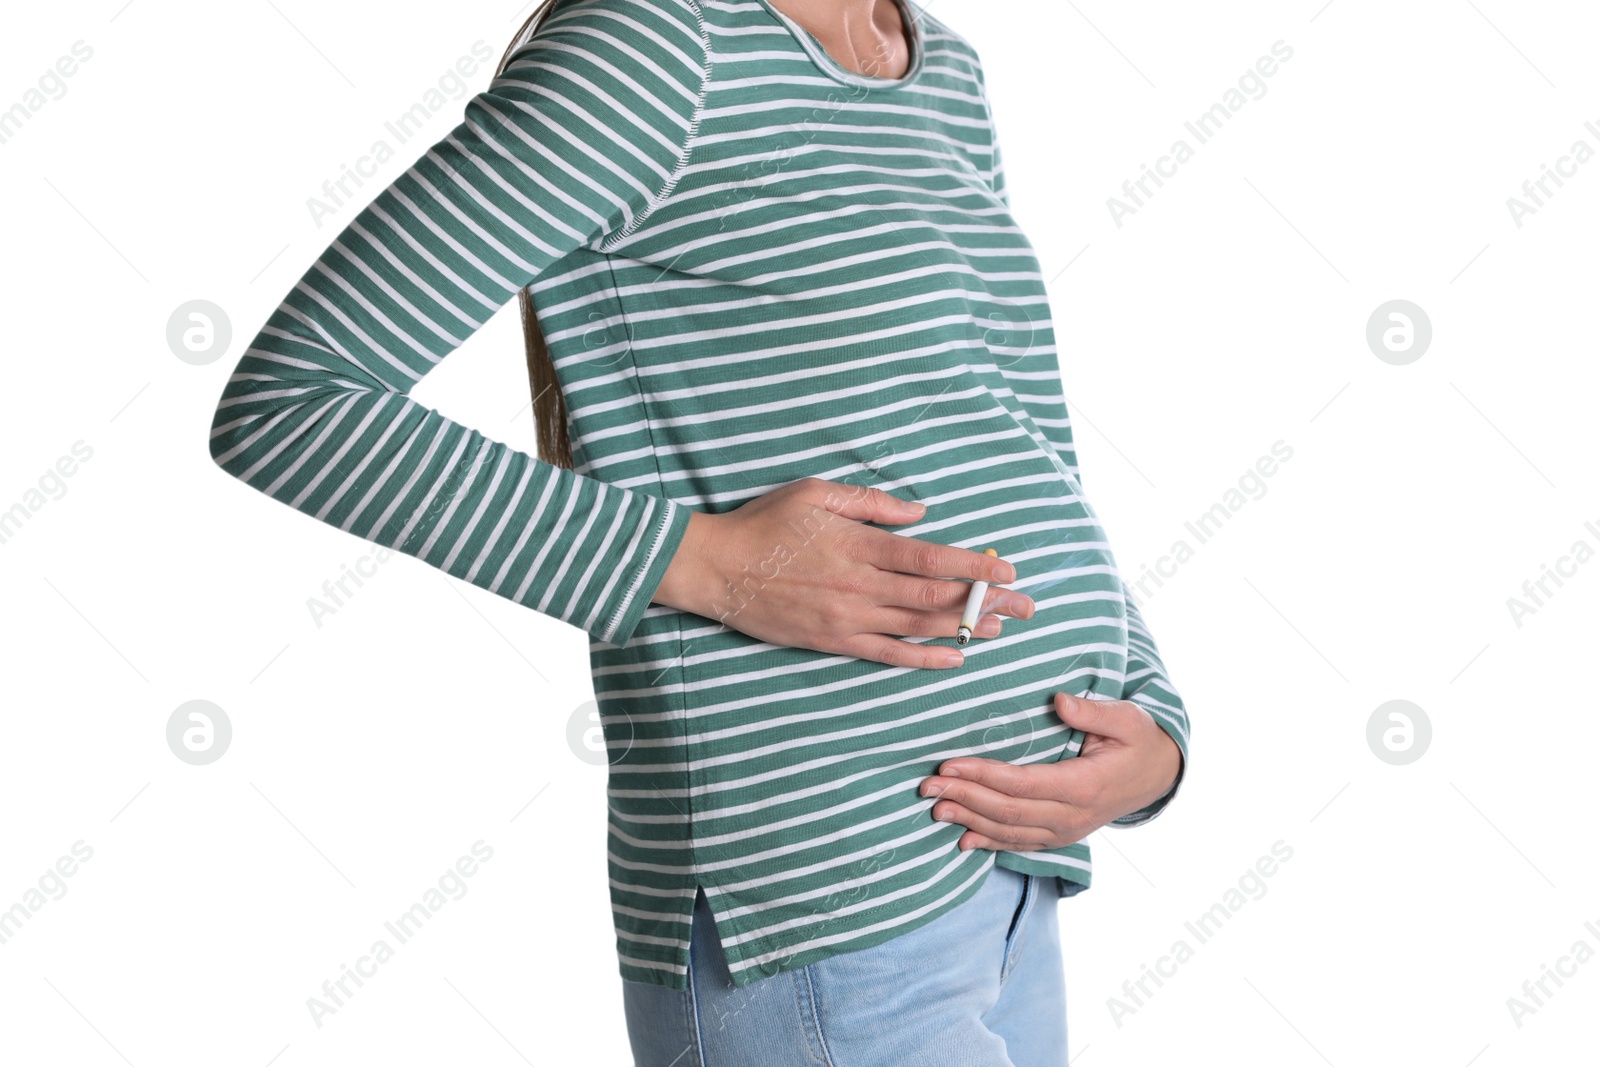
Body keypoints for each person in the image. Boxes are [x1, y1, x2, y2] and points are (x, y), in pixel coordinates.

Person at [206, 0, 1190, 1061]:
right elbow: (291, 404)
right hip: (824, 908)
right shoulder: (655, 48)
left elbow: (1017, 434)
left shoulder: (939, 64)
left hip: (1010, 872)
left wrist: (1154, 727)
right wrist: (705, 562)